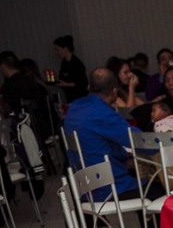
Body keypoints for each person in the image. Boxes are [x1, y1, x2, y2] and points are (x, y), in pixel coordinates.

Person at [62, 68, 159, 207]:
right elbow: (141, 142)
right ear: (115, 91)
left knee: (136, 172)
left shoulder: (75, 107)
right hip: (109, 188)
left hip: (85, 187)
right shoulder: (103, 114)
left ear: (90, 88)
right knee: (164, 188)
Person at [53, 36, 88, 102]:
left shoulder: (76, 63)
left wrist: (66, 84)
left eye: (57, 49)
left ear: (65, 49)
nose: (56, 52)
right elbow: (63, 79)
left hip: (80, 98)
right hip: (70, 99)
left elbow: (83, 83)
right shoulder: (64, 63)